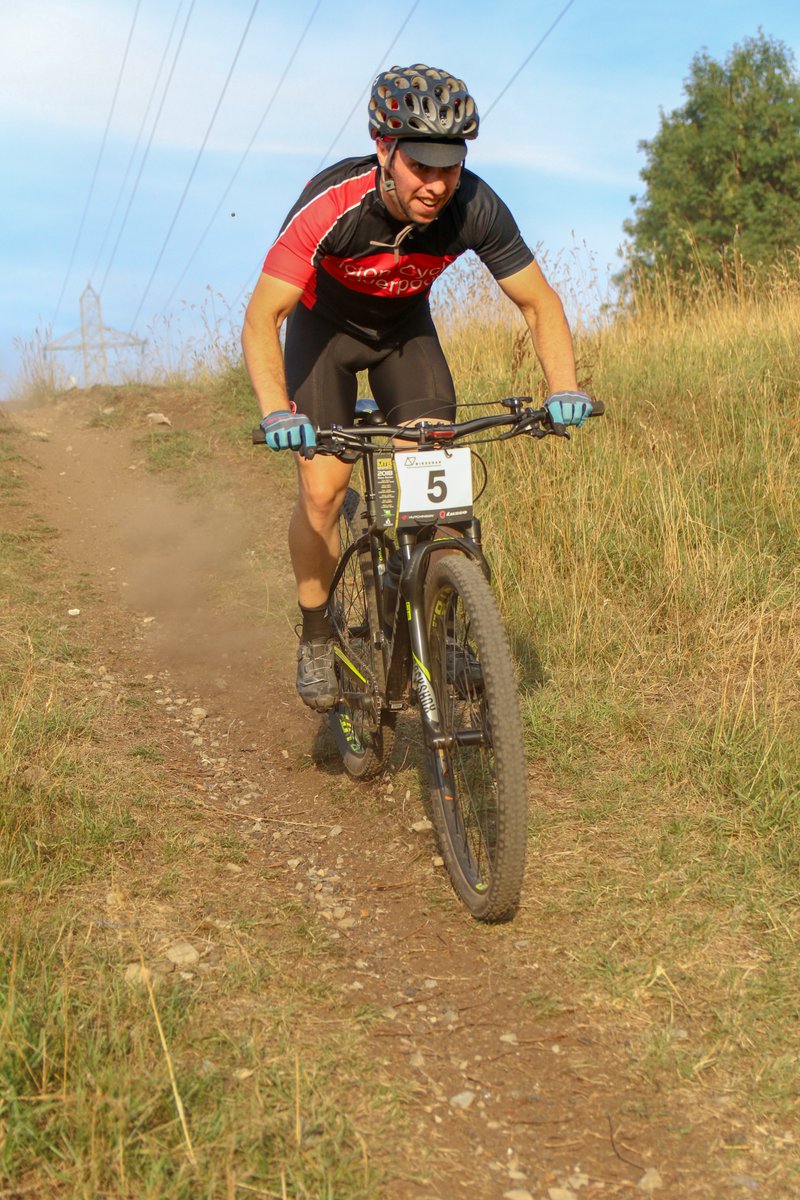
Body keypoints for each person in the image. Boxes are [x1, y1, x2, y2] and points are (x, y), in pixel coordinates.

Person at [242, 62, 592, 712]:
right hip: (326, 334)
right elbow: (265, 315)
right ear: (385, 151)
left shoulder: (475, 206)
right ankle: (318, 632)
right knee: (324, 492)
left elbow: (539, 303)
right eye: (421, 167)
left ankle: (440, 623)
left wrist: (562, 387)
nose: (436, 185)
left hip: (406, 334)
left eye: (450, 167)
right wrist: (273, 410)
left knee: (436, 488)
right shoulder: (332, 205)